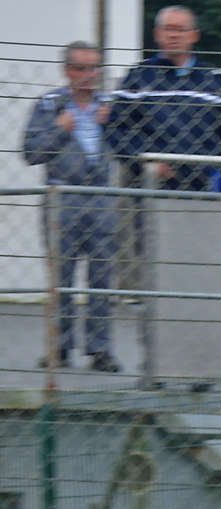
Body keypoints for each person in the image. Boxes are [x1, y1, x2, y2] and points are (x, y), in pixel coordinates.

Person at [22, 41, 119, 373]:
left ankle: (100, 350)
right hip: (63, 201)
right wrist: (60, 131)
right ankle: (59, 348)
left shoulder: (111, 106)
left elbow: (130, 147)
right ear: (67, 71)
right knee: (61, 278)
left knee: (102, 278)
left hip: (103, 200)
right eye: (81, 68)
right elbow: (31, 152)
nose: (89, 76)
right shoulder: (49, 106)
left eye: (94, 68)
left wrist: (113, 126)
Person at [106, 6, 221, 194]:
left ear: (194, 36)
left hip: (203, 186)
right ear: (157, 34)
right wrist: (145, 160)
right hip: (148, 185)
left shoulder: (212, 78)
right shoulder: (139, 76)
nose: (174, 35)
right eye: (168, 29)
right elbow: (117, 129)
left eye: (180, 29)